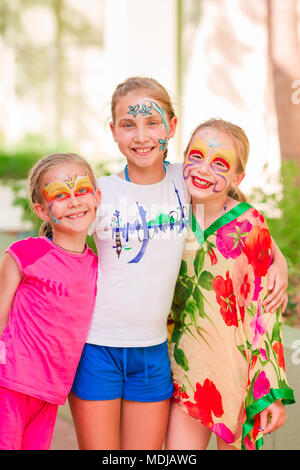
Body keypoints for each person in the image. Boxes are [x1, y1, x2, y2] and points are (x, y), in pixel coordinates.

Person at [68, 77, 289, 450]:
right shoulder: (117, 190)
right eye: (128, 125)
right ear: (113, 132)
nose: (141, 136)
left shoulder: (196, 189)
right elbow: (59, 242)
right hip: (118, 349)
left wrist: (276, 259)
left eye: (152, 123)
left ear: (171, 128)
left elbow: (243, 230)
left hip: (179, 358)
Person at [165, 119, 295, 451]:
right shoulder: (169, 206)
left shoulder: (248, 226)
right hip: (181, 370)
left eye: (219, 164)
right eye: (195, 156)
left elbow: (263, 313)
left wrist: (269, 391)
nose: (203, 169)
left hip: (237, 372)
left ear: (237, 179)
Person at [0, 153, 101, 450]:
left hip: (51, 393)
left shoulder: (96, 265)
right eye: (59, 194)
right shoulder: (26, 253)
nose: (73, 201)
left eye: (81, 190)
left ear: (96, 197)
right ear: (42, 211)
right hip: (10, 385)